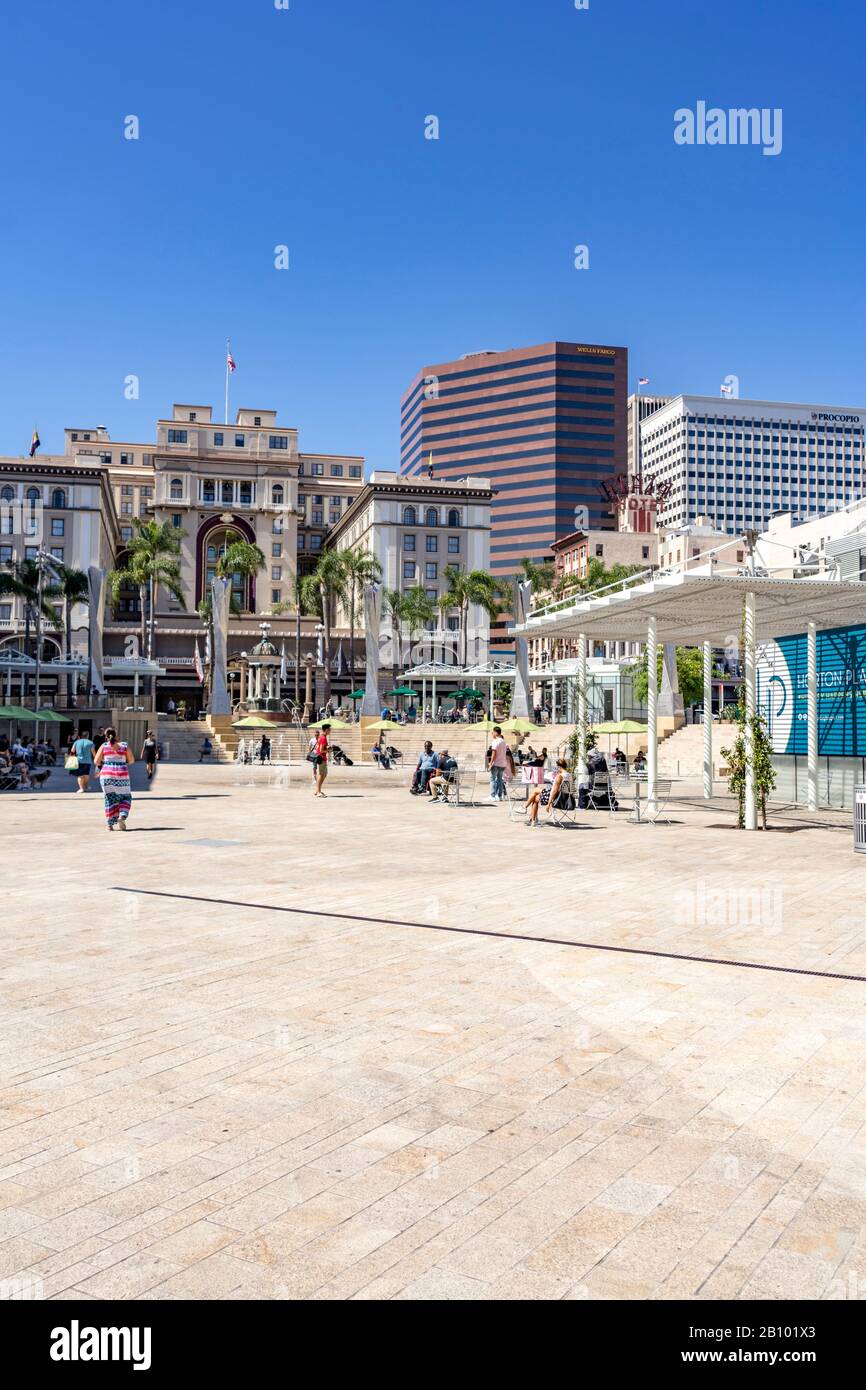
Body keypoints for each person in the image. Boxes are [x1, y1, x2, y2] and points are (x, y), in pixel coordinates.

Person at [94, 727, 134, 831]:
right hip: (122, 774)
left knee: (109, 799)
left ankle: (109, 825)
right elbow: (131, 760)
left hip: (106, 775)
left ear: (106, 736)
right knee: (125, 797)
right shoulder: (124, 745)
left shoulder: (104, 746)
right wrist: (121, 762)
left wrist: (106, 763)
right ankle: (122, 815)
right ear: (116, 736)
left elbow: (96, 761)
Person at [525, 758, 575, 827]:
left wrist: (549, 804)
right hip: (566, 798)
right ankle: (528, 813)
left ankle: (531, 818)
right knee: (536, 791)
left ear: (559, 767)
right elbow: (572, 789)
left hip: (557, 799)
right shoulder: (570, 775)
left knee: (535, 797)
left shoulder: (559, 776)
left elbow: (554, 791)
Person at [486, 725, 510, 802]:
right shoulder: (503, 741)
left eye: (492, 732)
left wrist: (490, 763)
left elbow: (494, 754)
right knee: (500, 780)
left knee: (493, 779)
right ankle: (499, 796)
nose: (492, 734)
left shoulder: (495, 741)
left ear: (496, 733)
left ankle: (492, 795)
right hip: (503, 763)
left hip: (496, 763)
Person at [70, 729, 96, 794]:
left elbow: (72, 751)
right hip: (88, 761)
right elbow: (93, 753)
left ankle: (81, 788)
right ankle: (85, 787)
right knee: (86, 774)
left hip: (79, 761)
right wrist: (96, 760)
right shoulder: (90, 742)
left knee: (80, 775)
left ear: (81, 736)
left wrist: (71, 758)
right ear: (88, 736)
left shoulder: (76, 742)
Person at [313, 722, 331, 796]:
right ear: (326, 730)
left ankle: (317, 790)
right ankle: (318, 791)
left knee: (324, 774)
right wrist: (329, 750)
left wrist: (327, 748)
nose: (330, 731)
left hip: (321, 758)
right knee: (321, 775)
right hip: (322, 758)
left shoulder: (321, 737)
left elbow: (318, 747)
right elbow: (321, 750)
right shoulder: (323, 738)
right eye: (329, 729)